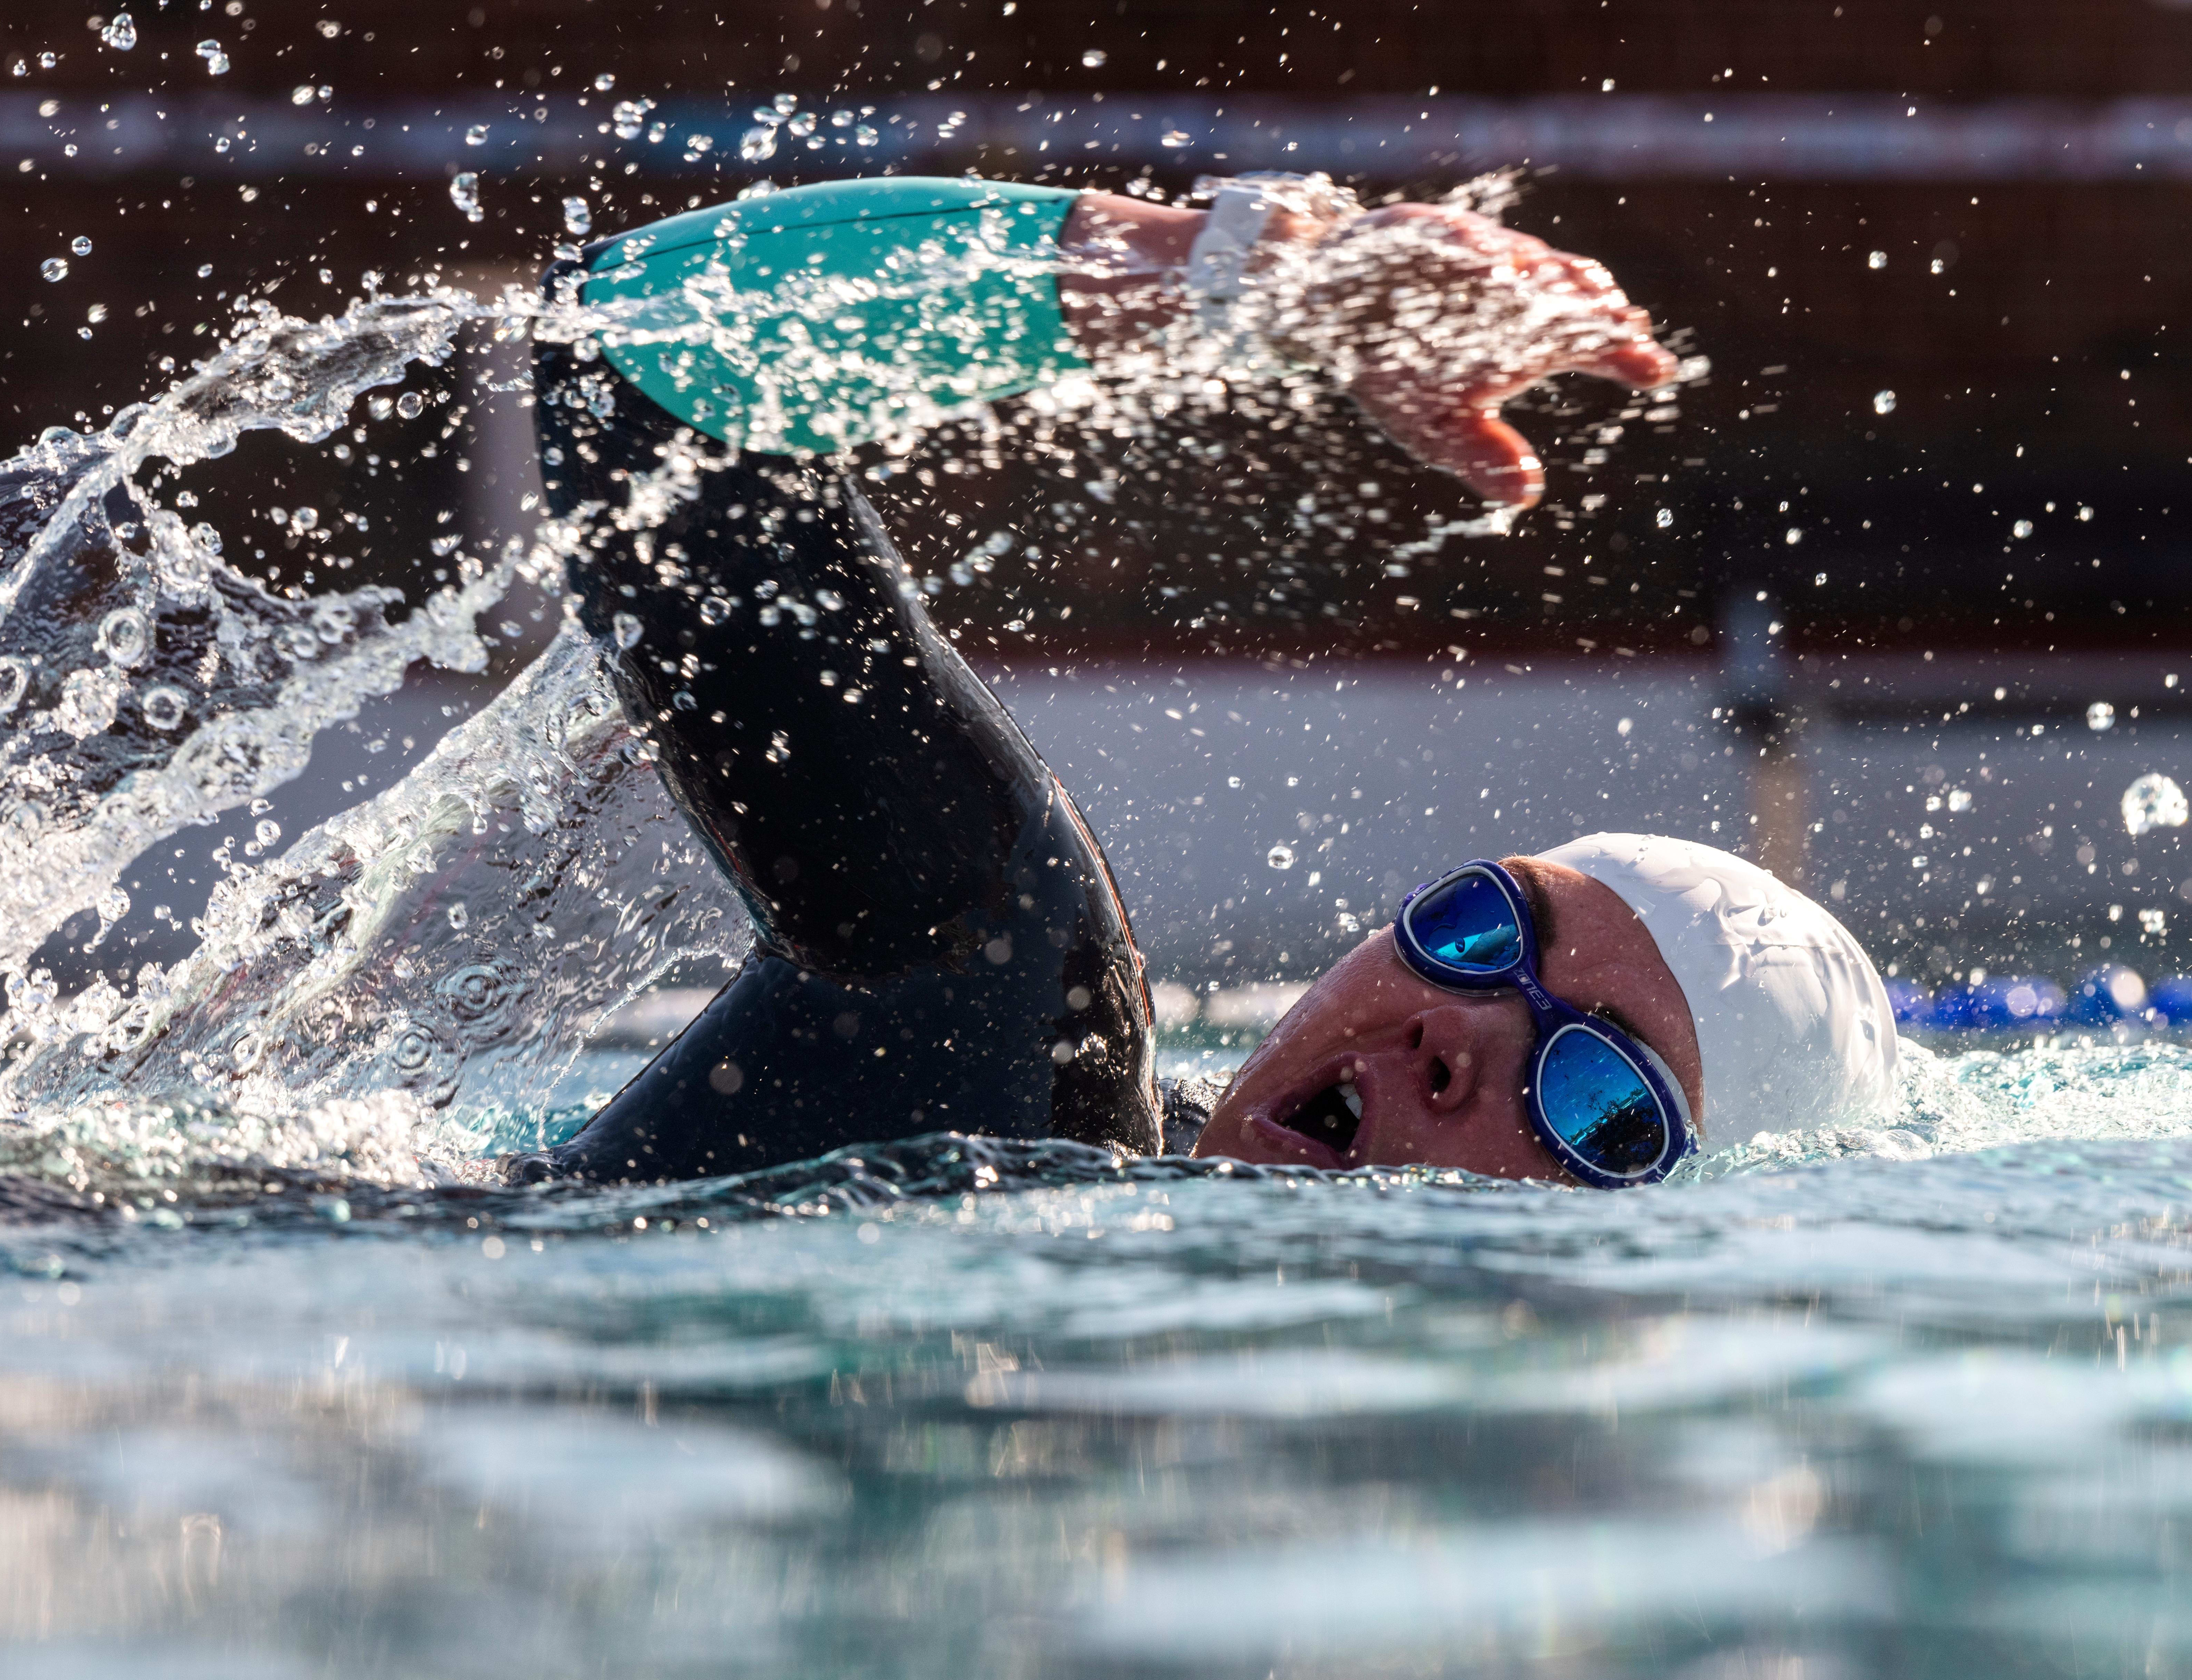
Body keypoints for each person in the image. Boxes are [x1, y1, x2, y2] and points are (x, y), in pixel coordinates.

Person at [523, 174, 1898, 1187]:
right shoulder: (1012, 1058)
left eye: (1597, 1097)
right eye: (1478, 929)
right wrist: (1238, 282)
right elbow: (631, 349)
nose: (1451, 1034)